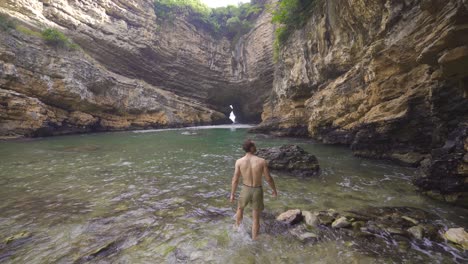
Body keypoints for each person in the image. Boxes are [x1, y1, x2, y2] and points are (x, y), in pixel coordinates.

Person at [230, 139, 278, 240]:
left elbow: (235, 179)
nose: (256, 147)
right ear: (251, 148)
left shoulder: (239, 162)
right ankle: (255, 236)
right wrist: (274, 189)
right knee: (256, 216)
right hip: (257, 190)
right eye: (254, 145)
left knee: (240, 208)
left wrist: (232, 194)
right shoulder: (261, 161)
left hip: (245, 189)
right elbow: (268, 178)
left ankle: (237, 228)